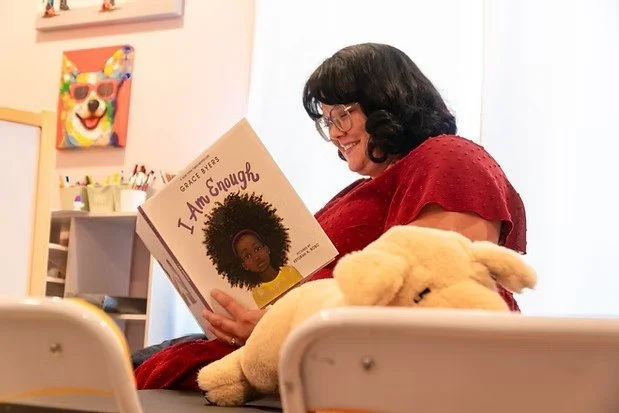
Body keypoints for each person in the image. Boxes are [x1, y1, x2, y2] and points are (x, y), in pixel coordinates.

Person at [134, 42, 526, 389]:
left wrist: (283, 329)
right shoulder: (374, 184)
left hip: (324, 357)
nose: (335, 133)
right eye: (327, 120)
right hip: (279, 350)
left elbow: (438, 293)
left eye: (342, 114)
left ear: (389, 102)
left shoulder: (447, 156)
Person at [232, 229, 302, 309]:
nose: (256, 257)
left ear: (266, 249)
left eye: (257, 249)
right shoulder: (258, 292)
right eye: (247, 256)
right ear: (244, 265)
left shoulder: (289, 271)